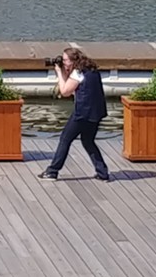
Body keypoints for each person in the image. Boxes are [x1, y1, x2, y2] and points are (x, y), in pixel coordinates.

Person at [41, 47, 110, 181]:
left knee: (65, 139)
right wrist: (64, 70)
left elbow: (65, 91)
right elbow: (73, 85)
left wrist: (59, 72)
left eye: (65, 60)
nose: (63, 63)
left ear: (73, 60)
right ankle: (102, 173)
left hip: (82, 113)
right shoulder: (92, 70)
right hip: (96, 112)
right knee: (88, 141)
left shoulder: (77, 73)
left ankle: (52, 171)